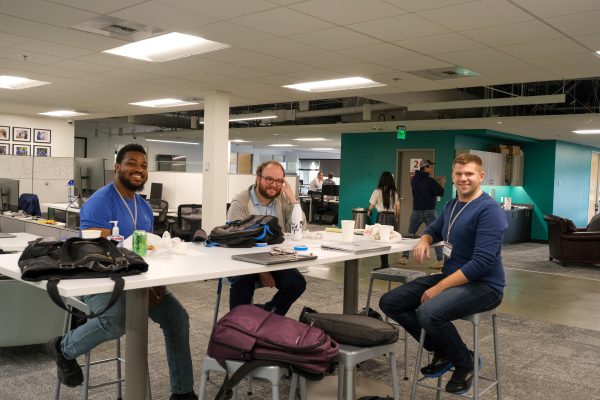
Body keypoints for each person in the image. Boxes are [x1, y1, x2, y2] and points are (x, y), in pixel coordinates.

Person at [47, 144, 197, 400]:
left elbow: (147, 253)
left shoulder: (145, 207)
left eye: (143, 165)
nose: (138, 170)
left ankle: (183, 393)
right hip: (99, 280)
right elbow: (92, 250)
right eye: (131, 163)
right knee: (118, 319)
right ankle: (63, 347)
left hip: (137, 281)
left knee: (177, 318)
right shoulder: (100, 202)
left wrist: (154, 284)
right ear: (117, 166)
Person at [379, 153, 507, 395]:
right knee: (391, 302)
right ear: (452, 176)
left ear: (480, 176)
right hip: (452, 278)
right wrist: (424, 240)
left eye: (469, 174)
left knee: (429, 311)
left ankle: (465, 362)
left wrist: (439, 288)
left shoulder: (489, 211)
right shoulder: (452, 205)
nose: (463, 178)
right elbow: (434, 230)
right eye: (459, 173)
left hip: (484, 285)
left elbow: (481, 263)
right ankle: (445, 351)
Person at [227, 160, 307, 316]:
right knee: (242, 282)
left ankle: (268, 315)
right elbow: (237, 241)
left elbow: (301, 229)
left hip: (274, 258)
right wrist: (263, 270)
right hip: (243, 259)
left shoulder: (282, 200)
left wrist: (293, 200)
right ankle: (237, 324)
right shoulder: (241, 202)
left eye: (279, 181)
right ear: (258, 179)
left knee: (296, 283)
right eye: (269, 179)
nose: (274, 184)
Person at [402, 159, 446, 268]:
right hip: (429, 211)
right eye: (430, 167)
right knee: (435, 234)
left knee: (410, 234)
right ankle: (440, 260)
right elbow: (440, 192)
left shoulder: (413, 180)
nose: (431, 169)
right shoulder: (430, 181)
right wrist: (442, 183)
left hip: (416, 210)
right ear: (425, 167)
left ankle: (404, 257)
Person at [367, 171, 400, 269]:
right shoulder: (394, 192)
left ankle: (384, 265)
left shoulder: (377, 191)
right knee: (388, 239)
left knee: (381, 240)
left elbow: (371, 206)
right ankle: (385, 264)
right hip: (391, 217)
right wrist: (397, 218)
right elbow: (398, 208)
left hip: (382, 217)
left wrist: (369, 212)